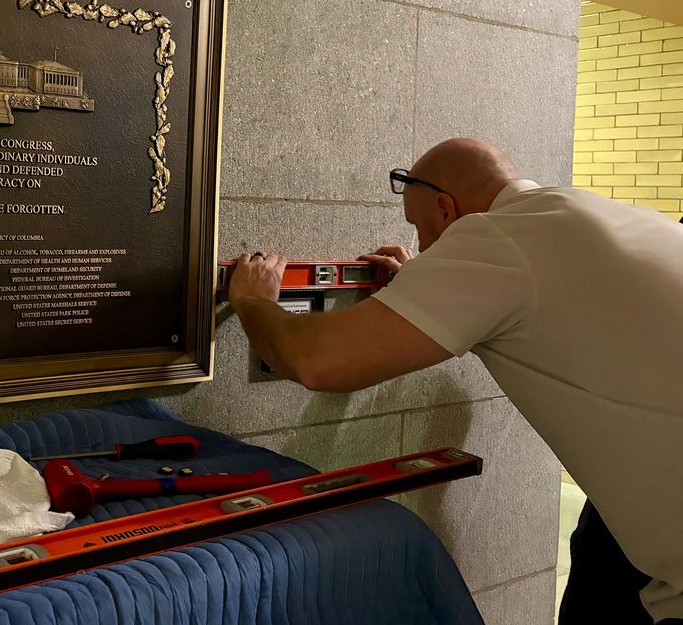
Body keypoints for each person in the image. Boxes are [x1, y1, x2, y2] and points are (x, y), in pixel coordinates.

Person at [227, 137, 683, 624]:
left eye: (422, 229)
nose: (423, 246)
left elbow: (316, 361)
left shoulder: (501, 236)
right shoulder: (607, 217)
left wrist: (254, 302)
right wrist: (424, 285)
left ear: (446, 209)